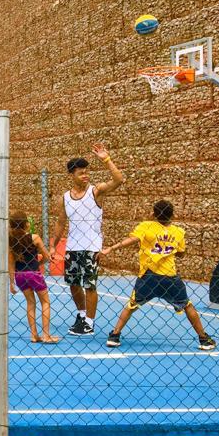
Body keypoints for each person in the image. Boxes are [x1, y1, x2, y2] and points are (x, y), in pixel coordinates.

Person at [101, 200, 216, 350]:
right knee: (187, 305)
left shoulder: (146, 226)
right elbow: (181, 253)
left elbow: (132, 239)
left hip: (149, 276)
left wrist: (111, 248)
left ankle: (115, 335)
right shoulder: (178, 232)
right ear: (173, 214)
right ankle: (203, 339)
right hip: (170, 276)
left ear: (153, 214)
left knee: (131, 306)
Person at [49, 143, 125, 336]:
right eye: (81, 173)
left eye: (86, 172)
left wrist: (106, 160)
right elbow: (60, 223)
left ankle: (89, 323)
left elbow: (118, 180)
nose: (85, 175)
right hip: (73, 247)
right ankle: (82, 315)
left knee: (90, 285)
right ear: (71, 175)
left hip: (92, 247)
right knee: (74, 284)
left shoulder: (96, 191)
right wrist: (53, 246)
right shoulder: (65, 198)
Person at [9, 212, 59, 344]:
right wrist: (40, 263)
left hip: (19, 276)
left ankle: (34, 335)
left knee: (30, 303)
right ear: (26, 224)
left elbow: (11, 263)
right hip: (33, 274)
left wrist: (11, 282)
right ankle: (46, 335)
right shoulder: (35, 238)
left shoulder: (11, 240)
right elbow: (47, 256)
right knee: (45, 302)